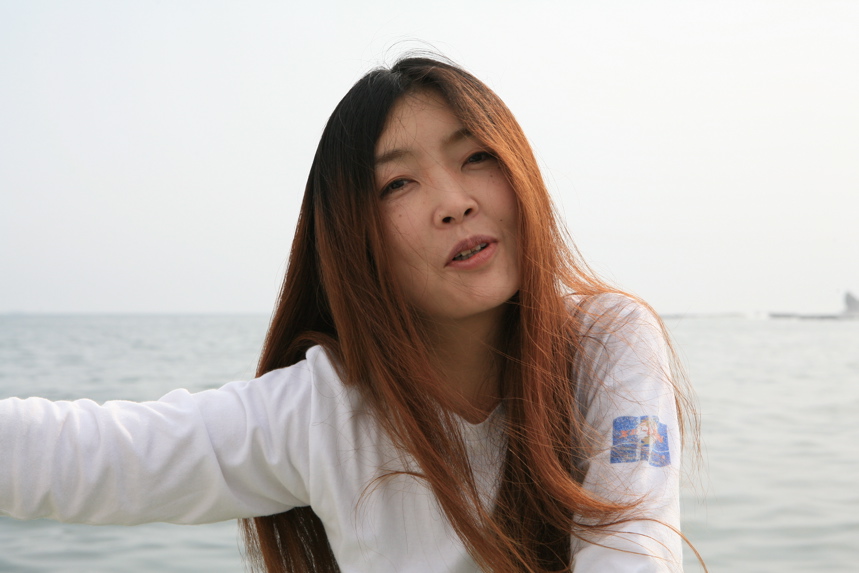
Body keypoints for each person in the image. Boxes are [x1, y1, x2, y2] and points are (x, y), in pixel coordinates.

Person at [0, 56, 699, 572]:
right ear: (352, 238)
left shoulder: (608, 342)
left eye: (476, 157)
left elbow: (633, 547)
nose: (454, 201)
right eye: (398, 183)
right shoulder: (324, 409)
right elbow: (95, 455)